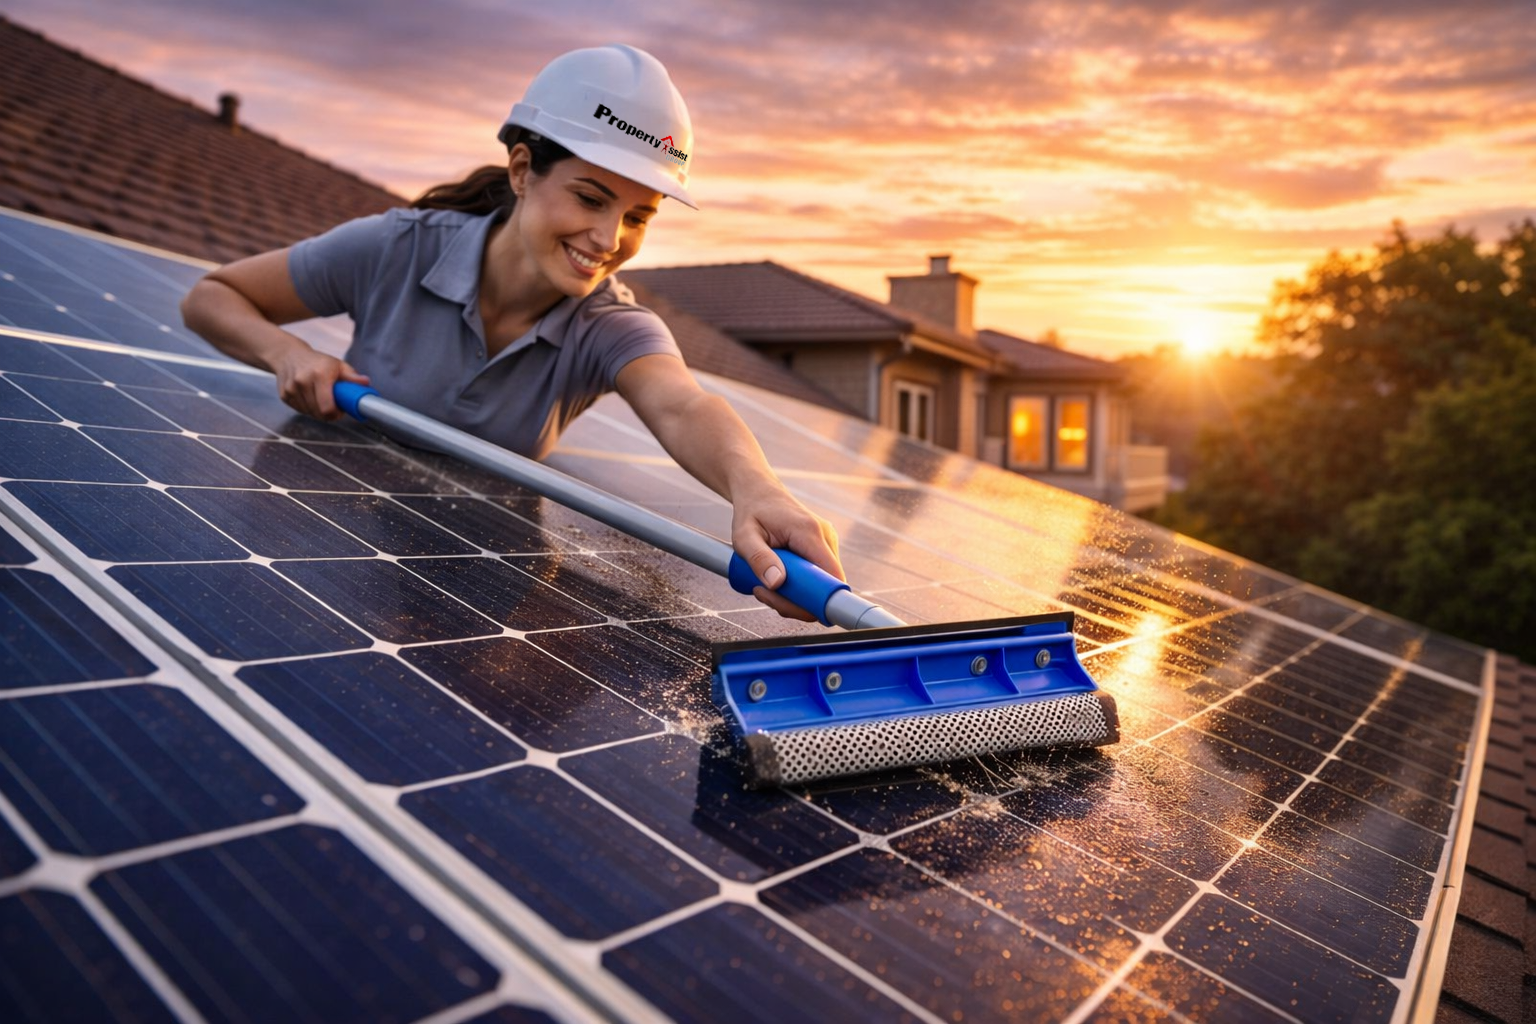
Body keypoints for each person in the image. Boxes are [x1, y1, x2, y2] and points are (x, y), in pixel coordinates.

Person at [180, 44, 842, 621]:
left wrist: (759, 489)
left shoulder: (607, 325)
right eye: (589, 198)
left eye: (639, 217)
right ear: (523, 171)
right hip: (335, 545)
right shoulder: (397, 249)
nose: (608, 240)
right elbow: (213, 296)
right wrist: (287, 351)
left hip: (477, 576)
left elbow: (684, 403)